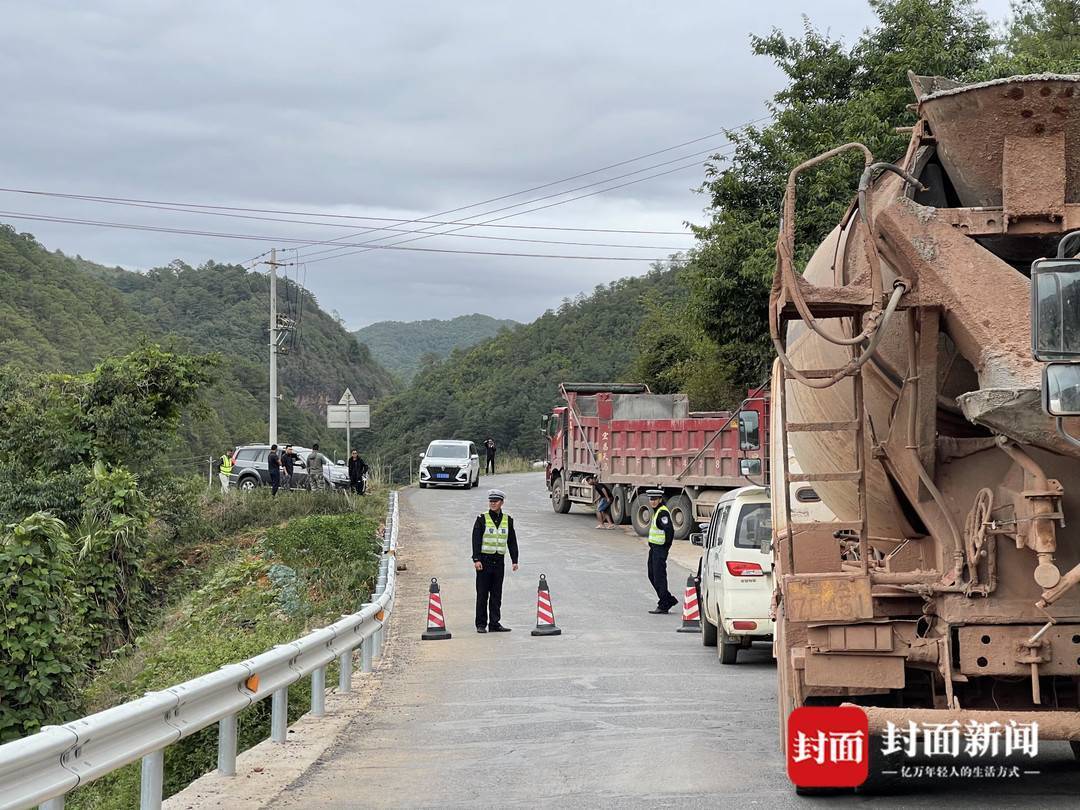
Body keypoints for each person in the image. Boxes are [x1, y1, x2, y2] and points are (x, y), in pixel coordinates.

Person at [471, 488, 518, 633]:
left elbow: (511, 541)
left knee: (497, 594)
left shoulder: (508, 520)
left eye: (495, 501)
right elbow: (476, 540)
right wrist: (476, 559)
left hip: (499, 561)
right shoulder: (482, 518)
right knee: (482, 594)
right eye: (491, 501)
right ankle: (480, 624)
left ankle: (494, 623)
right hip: (484, 561)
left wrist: (514, 560)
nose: (492, 504)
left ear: (502, 503)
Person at [645, 488, 677, 614]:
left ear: (660, 499)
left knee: (659, 577)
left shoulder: (663, 513)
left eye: (654, 499)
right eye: (651, 499)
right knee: (652, 575)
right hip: (654, 548)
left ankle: (664, 604)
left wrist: (665, 548)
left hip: (660, 549)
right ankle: (668, 599)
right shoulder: (657, 511)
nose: (652, 501)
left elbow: (670, 531)